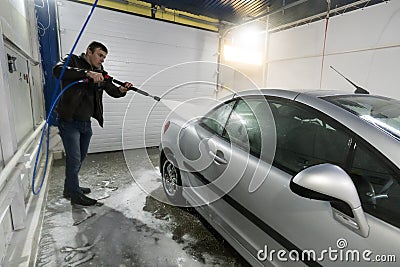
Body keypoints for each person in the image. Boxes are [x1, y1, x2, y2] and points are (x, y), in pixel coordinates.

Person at [53, 41, 132, 206]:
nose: (102, 59)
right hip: (69, 121)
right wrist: (87, 74)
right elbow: (58, 70)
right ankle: (75, 195)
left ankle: (70, 187)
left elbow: (112, 90)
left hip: (85, 123)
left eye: (104, 57)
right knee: (74, 159)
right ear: (89, 51)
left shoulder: (100, 72)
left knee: (80, 157)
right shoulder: (72, 60)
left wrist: (121, 90)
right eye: (100, 55)